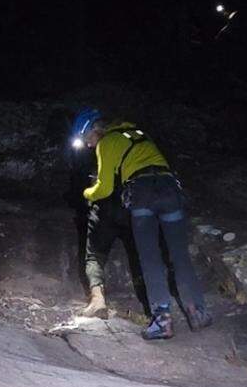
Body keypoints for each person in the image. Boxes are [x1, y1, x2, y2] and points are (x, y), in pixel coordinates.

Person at [70, 107, 213, 339]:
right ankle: (197, 312)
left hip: (142, 192)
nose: (88, 146)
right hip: (169, 188)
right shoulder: (137, 133)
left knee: (150, 257)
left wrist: (86, 193)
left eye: (87, 140)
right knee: (179, 254)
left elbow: (104, 188)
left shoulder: (107, 143)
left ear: (94, 131)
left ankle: (162, 322)